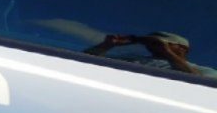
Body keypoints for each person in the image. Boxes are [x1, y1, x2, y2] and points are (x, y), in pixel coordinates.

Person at [85, 31, 217, 78]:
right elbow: (87, 61)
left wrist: (168, 53)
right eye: (148, 42)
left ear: (182, 49)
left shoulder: (205, 71)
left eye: (159, 42)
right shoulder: (132, 59)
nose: (151, 46)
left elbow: (199, 81)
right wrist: (107, 45)